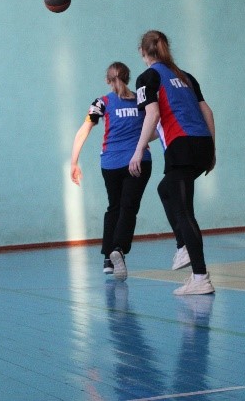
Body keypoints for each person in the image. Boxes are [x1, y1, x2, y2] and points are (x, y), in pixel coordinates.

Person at [130, 30, 216, 296]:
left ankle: (200, 275)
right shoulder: (185, 76)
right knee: (165, 189)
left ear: (143, 52)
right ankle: (184, 248)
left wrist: (138, 149)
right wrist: (212, 150)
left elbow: (153, 115)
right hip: (201, 144)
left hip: (182, 147)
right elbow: (206, 112)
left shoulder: (147, 77)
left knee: (184, 211)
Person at [71, 62, 153, 280]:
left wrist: (74, 162)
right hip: (138, 161)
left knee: (114, 207)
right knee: (129, 207)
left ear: (107, 80)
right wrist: (141, 141)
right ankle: (118, 248)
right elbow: (154, 128)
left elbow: (84, 130)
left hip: (110, 163)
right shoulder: (141, 100)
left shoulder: (102, 102)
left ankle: (108, 258)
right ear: (127, 78)